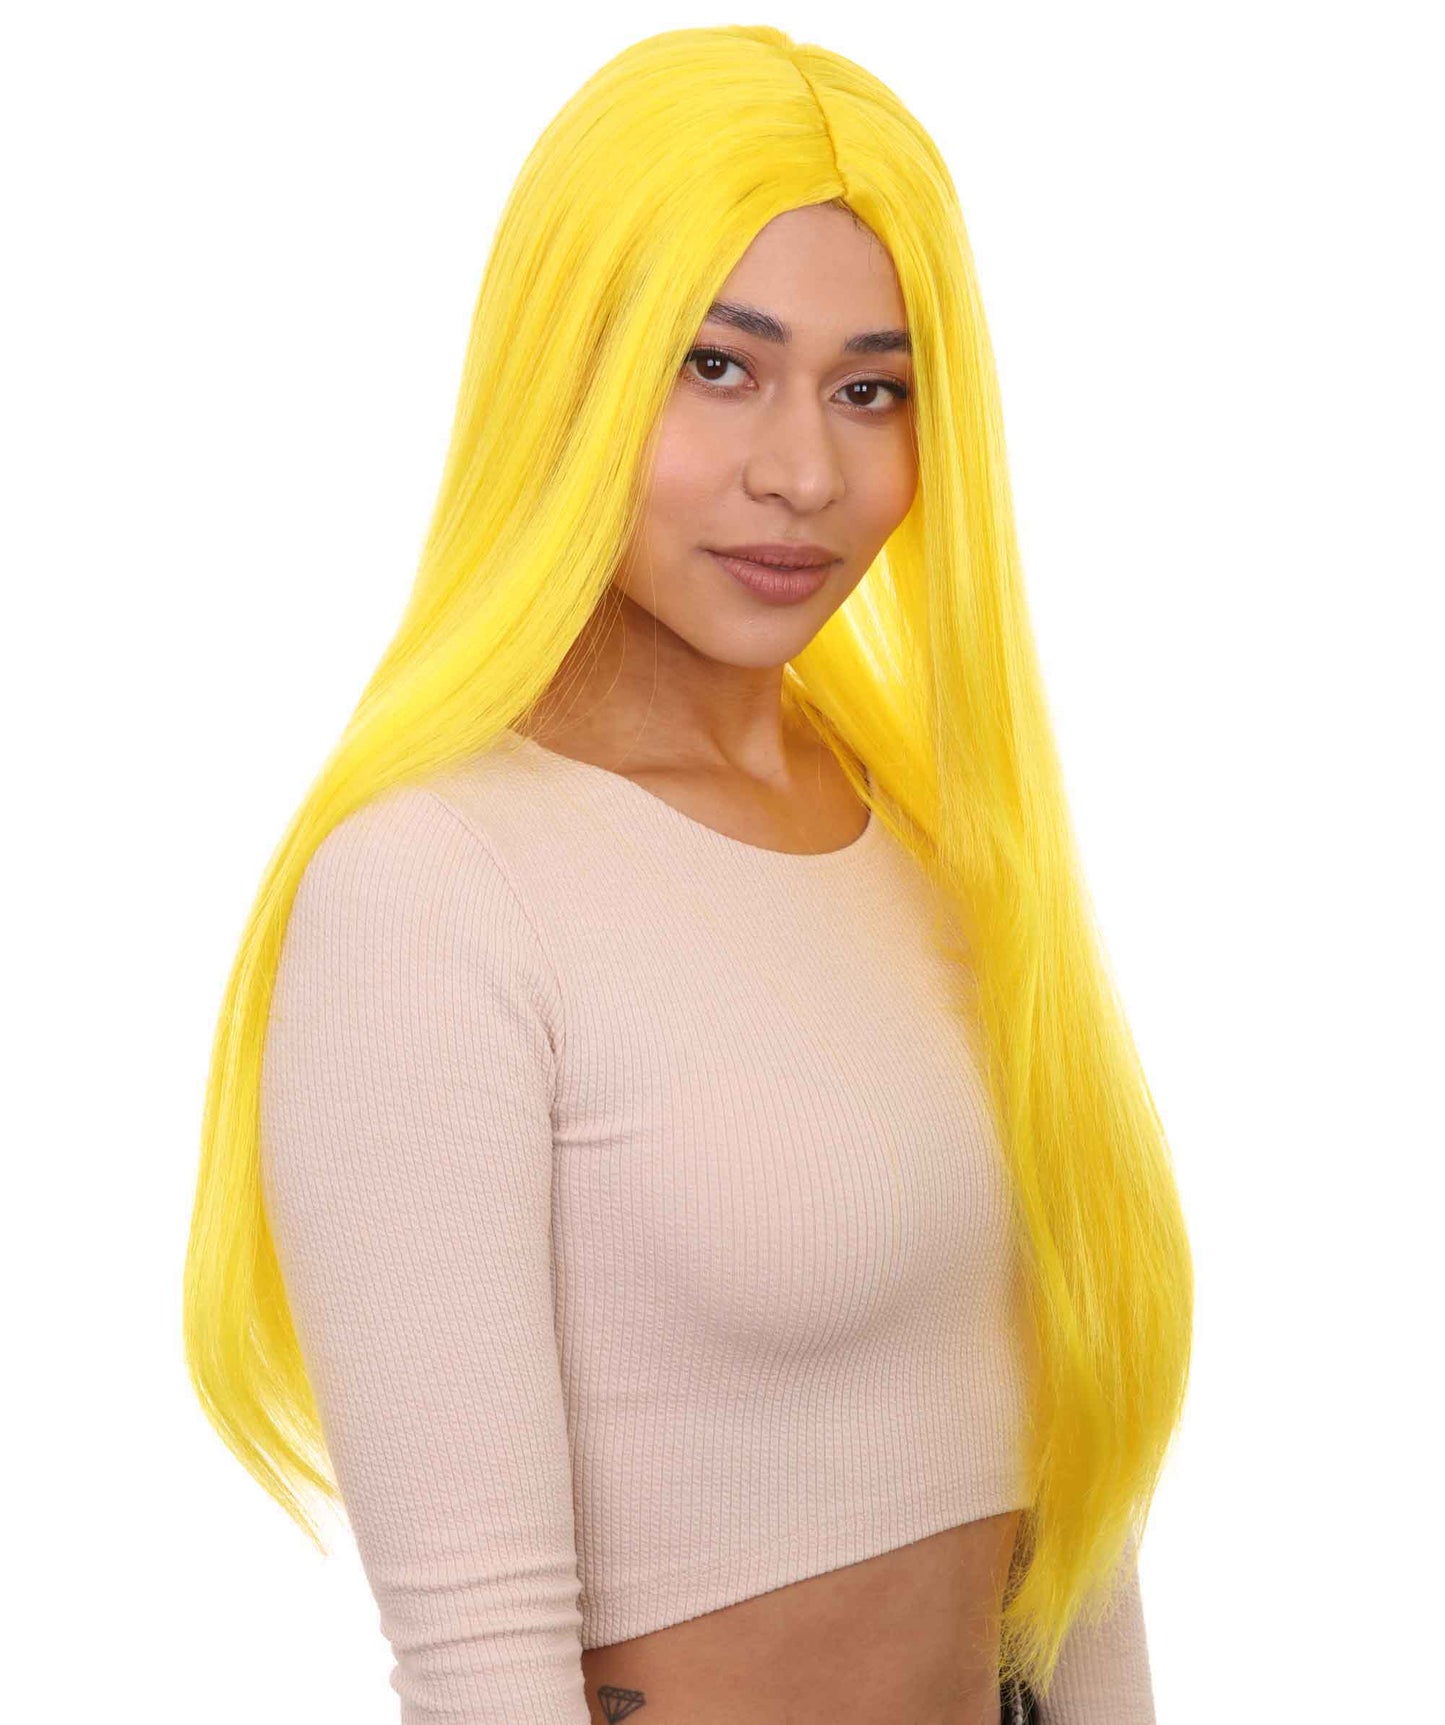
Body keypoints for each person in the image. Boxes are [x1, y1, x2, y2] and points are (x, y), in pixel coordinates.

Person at [183, 25, 1192, 1725]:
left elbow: (1072, 1503)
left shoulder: (935, 843)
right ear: (564, 373)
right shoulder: (433, 887)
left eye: (870, 388)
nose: (802, 471)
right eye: (717, 366)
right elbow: (480, 1653)